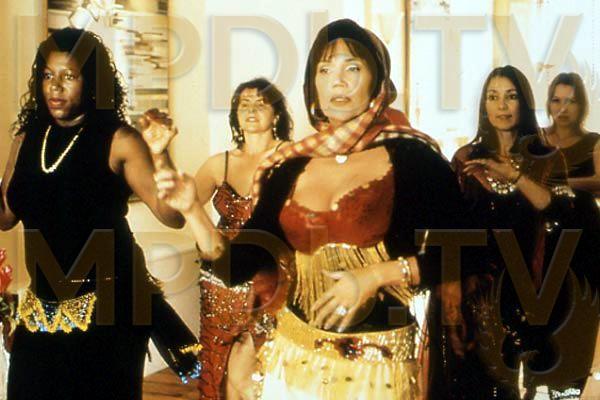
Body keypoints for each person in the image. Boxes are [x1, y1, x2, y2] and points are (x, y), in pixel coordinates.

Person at [153, 19, 471, 399]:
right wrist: (192, 210)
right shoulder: (290, 167)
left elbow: (470, 249)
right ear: (312, 86)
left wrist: (375, 276)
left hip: (376, 371)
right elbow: (235, 267)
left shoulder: (412, 157)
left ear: (376, 80)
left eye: (352, 67)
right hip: (292, 364)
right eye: (325, 70)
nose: (339, 82)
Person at [0, 28, 199, 400]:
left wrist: (161, 156)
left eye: (69, 76)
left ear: (91, 82)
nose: (56, 86)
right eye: (48, 75)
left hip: (109, 309)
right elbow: (6, 217)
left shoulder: (118, 140)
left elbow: (171, 215)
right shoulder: (26, 139)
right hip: (42, 308)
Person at [452, 65, 600, 399]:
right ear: (484, 105)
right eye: (493, 97)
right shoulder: (465, 159)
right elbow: (452, 225)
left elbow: (555, 208)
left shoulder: (547, 160)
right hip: (477, 289)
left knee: (529, 384)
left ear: (525, 103)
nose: (502, 106)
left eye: (511, 96)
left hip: (530, 287)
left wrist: (514, 176)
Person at [193, 78, 292, 399]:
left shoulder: (291, 156)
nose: (251, 110)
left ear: (276, 114)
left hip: (268, 274)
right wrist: (159, 158)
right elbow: (178, 209)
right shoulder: (218, 163)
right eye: (243, 104)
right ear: (235, 114)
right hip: (220, 278)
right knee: (220, 361)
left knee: (256, 365)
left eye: (260, 104)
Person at [543, 72, 600, 196]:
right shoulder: (536, 138)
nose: (563, 109)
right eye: (556, 100)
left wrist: (559, 182)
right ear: (549, 105)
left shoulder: (594, 142)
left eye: (570, 101)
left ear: (581, 106)